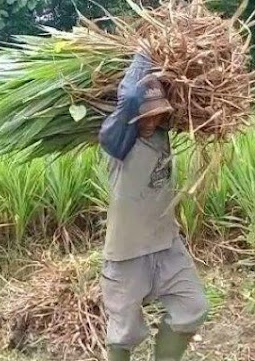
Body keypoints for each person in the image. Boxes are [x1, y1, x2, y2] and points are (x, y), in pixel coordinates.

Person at [97, 52, 210, 361]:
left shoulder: (162, 132)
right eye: (148, 115)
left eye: (159, 113)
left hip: (166, 246)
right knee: (124, 332)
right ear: (133, 116)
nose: (154, 119)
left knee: (193, 308)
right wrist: (145, 54)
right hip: (127, 254)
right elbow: (132, 96)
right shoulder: (118, 142)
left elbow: (194, 97)